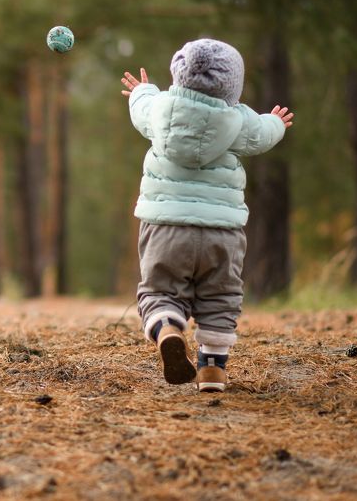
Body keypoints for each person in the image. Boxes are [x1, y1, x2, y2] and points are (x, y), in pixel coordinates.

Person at [121, 38, 293, 392]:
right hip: (222, 231)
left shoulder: (160, 109)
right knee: (220, 297)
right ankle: (213, 371)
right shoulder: (238, 119)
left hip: (164, 227)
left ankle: (168, 326)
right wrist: (276, 123)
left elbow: (142, 107)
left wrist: (141, 89)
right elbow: (262, 135)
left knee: (159, 291)